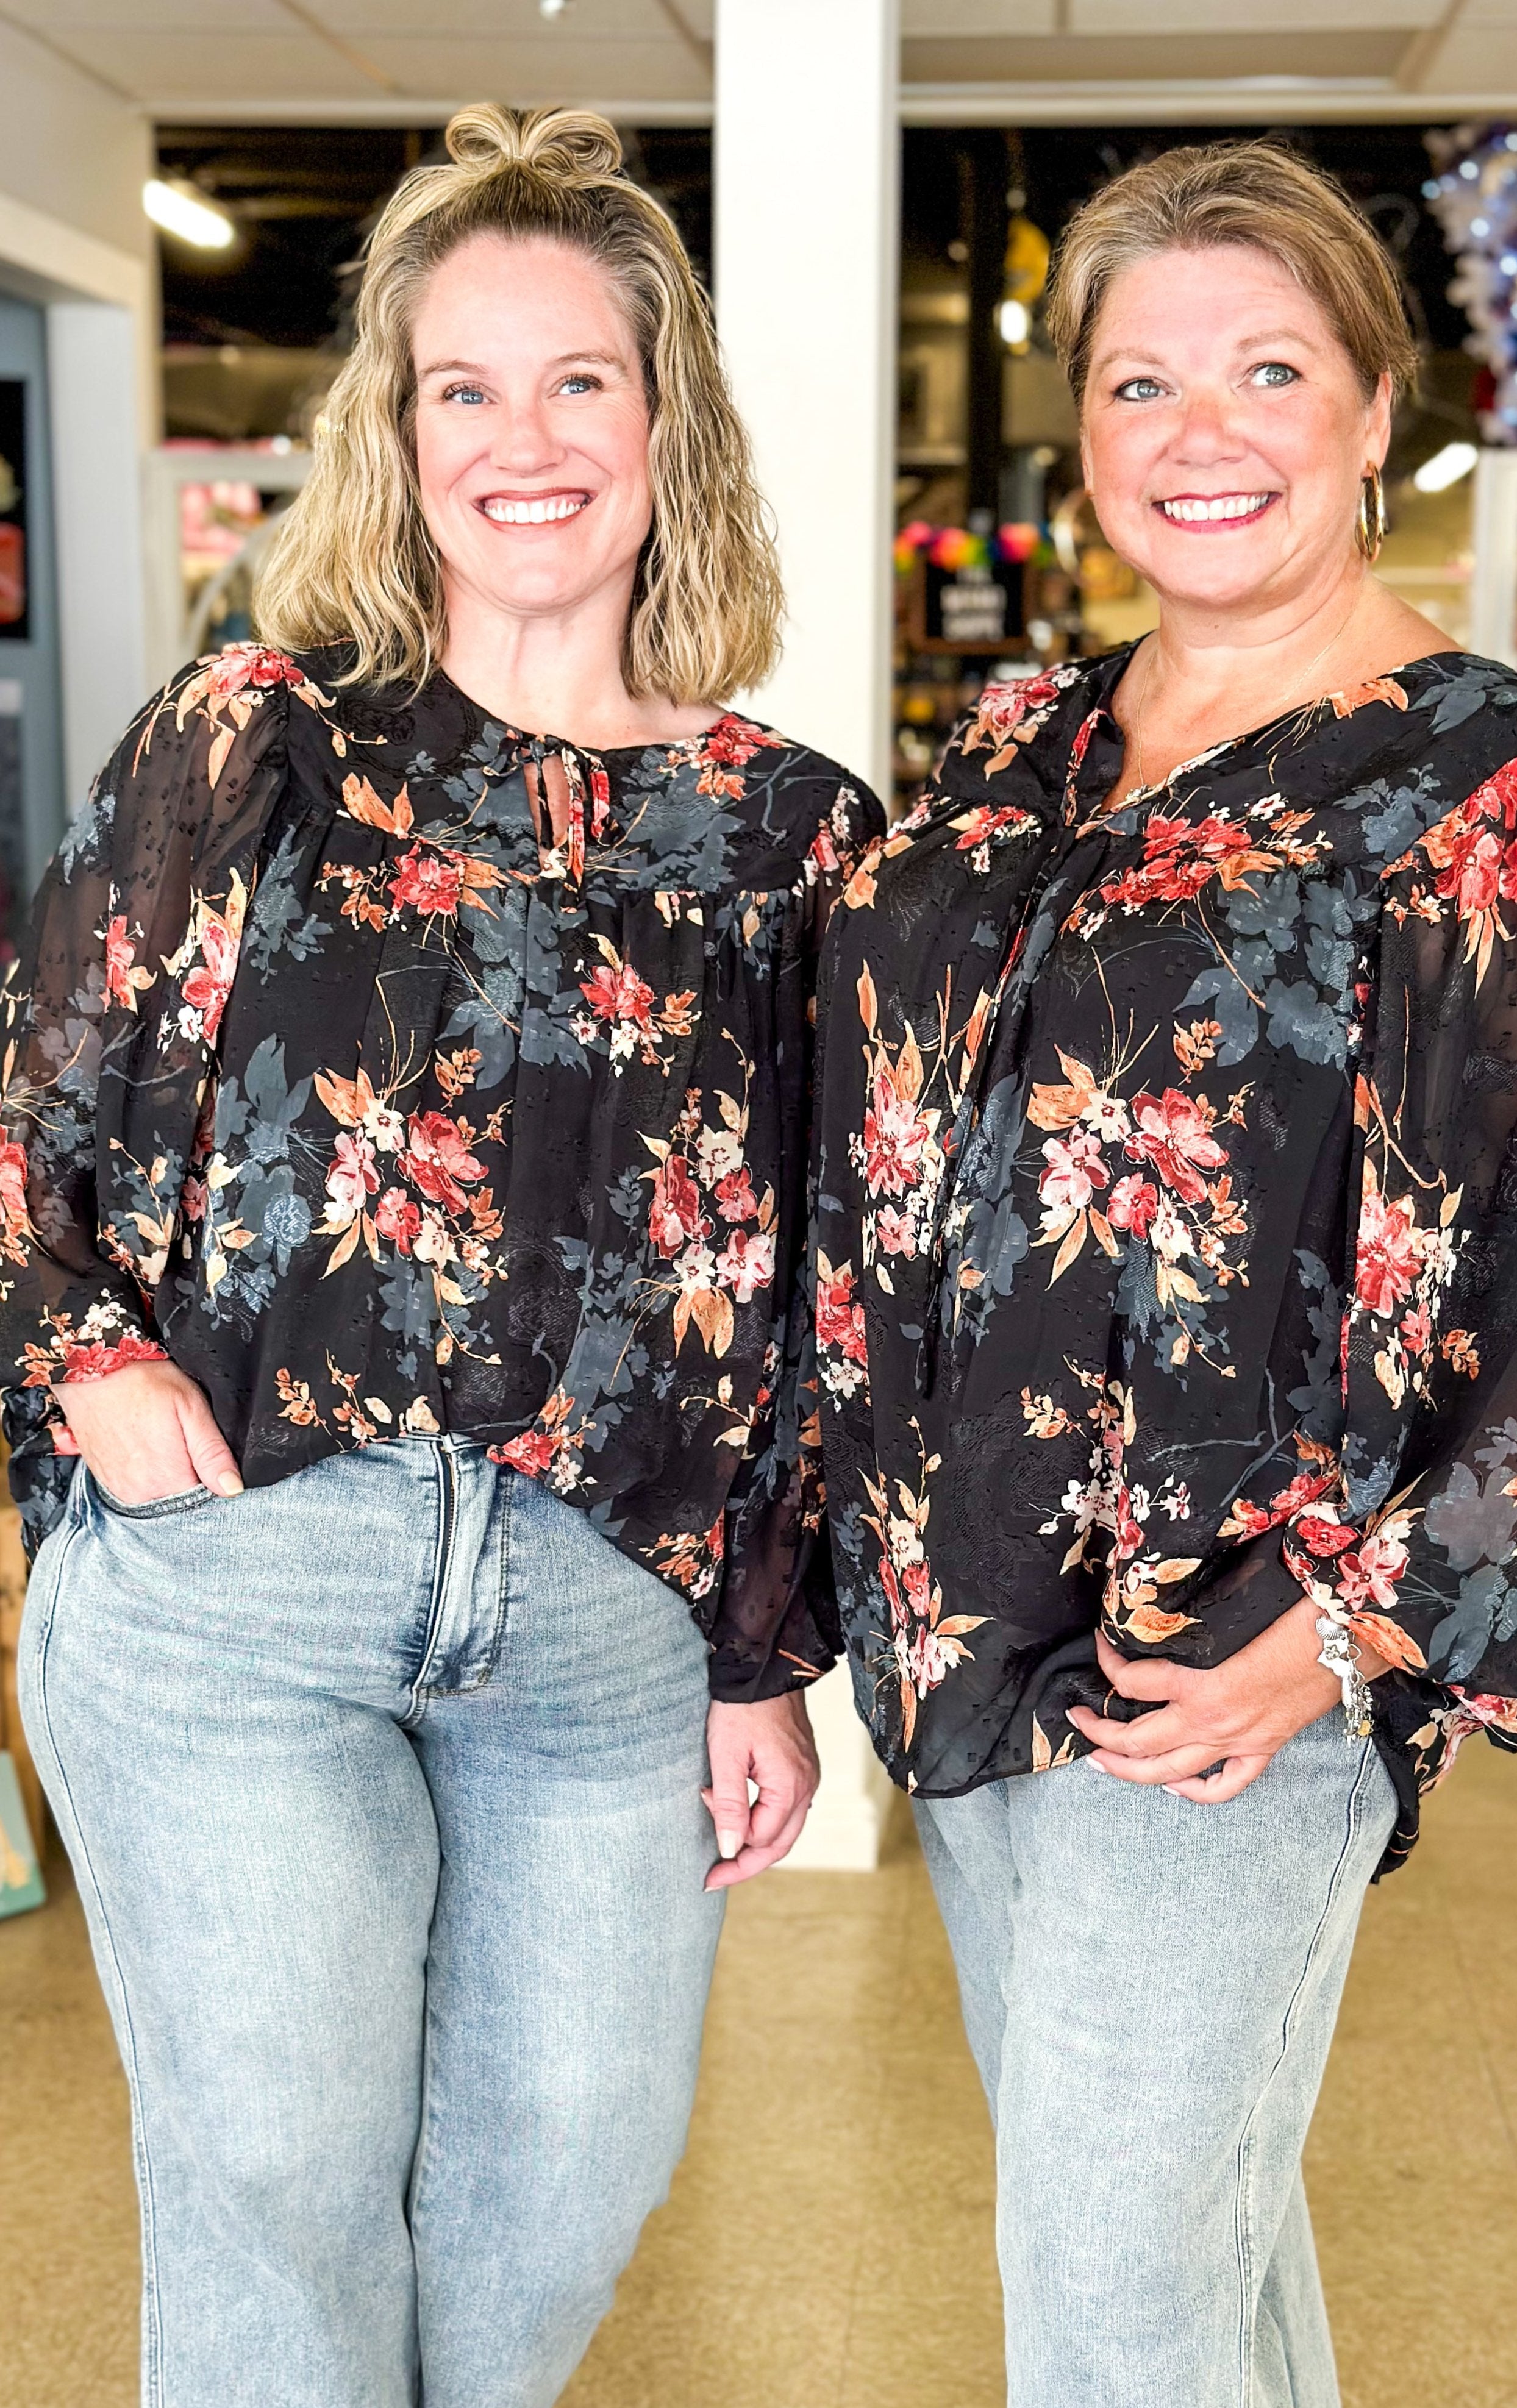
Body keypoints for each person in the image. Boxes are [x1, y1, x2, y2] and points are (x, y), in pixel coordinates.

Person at [815, 140, 1517, 2407]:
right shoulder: (1016, 742)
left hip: (1228, 1658)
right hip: (973, 1628)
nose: (1197, 432)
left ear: (1377, 412)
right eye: (1139, 383)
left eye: (1266, 369)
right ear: (1082, 431)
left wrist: (1347, 1637)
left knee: (1115, 2310)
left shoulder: (1512, 786)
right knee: (1185, 2268)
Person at [5, 105, 880, 2408]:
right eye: (459, 389)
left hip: (605, 1627)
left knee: (565, 2188)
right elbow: (34, 1107)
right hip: (241, 1589)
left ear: (665, 420)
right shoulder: (253, 741)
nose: (522, 438)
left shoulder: (797, 831)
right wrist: (86, 1353)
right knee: (282, 2199)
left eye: (579, 379)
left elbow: (808, 1292)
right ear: (392, 443)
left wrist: (760, 1653)